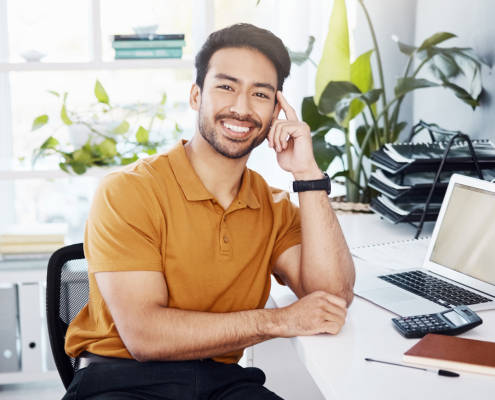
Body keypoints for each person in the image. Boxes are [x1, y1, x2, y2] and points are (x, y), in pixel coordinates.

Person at [63, 23, 355, 400]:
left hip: (221, 382)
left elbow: (331, 299)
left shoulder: (274, 207)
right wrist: (279, 321)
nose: (242, 107)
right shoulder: (129, 190)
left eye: (261, 94)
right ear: (196, 95)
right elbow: (145, 336)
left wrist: (308, 175)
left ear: (276, 111)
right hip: (122, 380)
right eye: (226, 86)